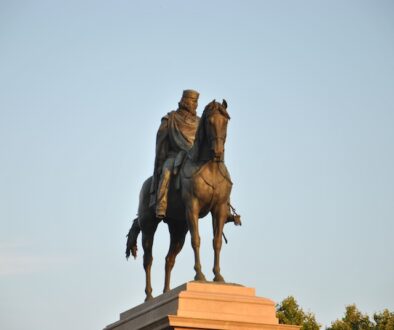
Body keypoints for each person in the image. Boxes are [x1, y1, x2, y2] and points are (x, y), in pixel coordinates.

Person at [150, 89, 200, 219]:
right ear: (185, 101)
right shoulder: (170, 119)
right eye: (193, 101)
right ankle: (161, 204)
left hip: (195, 157)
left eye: (197, 102)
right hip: (175, 156)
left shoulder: (200, 122)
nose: (196, 105)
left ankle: (226, 205)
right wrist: (160, 162)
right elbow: (161, 144)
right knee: (166, 171)